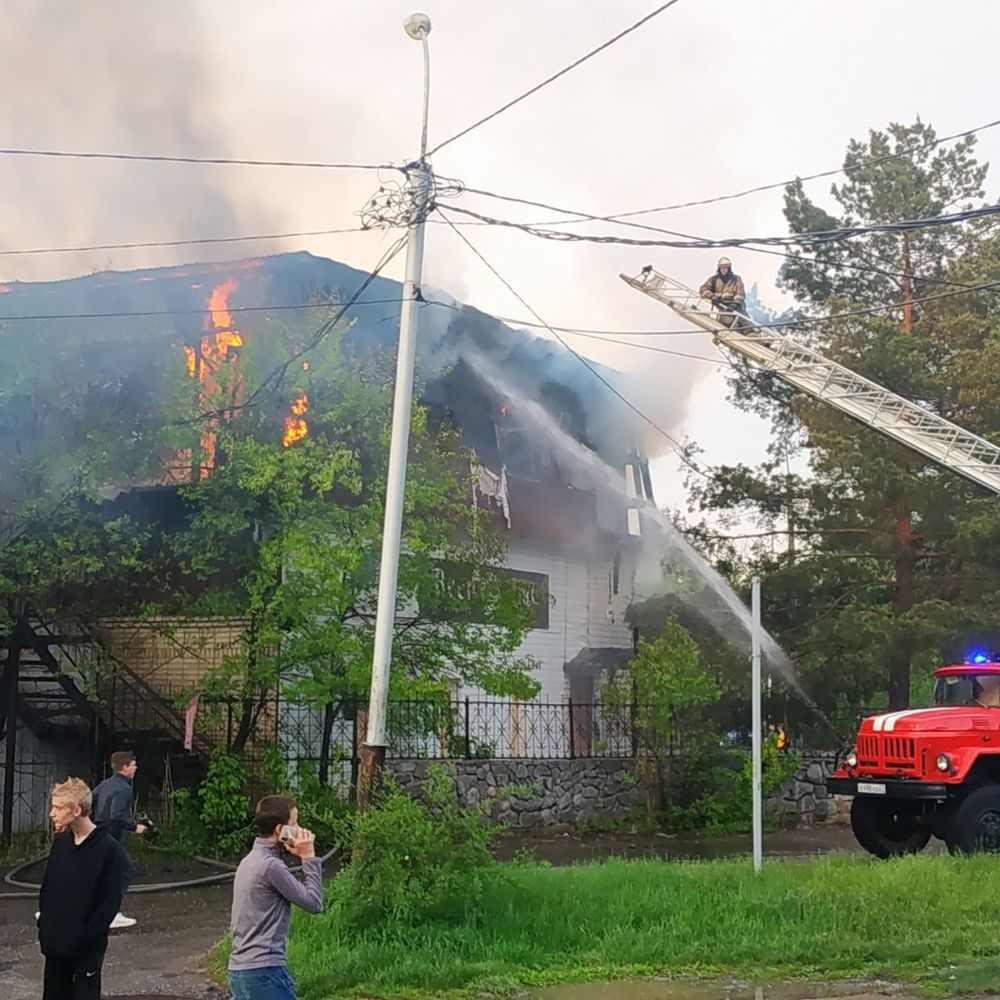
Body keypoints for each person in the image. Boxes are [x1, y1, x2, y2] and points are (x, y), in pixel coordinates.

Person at [228, 795, 323, 1000]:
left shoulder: (250, 860)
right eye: (294, 823)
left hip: (240, 970)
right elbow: (314, 903)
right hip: (264, 970)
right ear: (280, 831)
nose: (299, 829)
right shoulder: (270, 866)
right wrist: (309, 857)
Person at [37, 777, 123, 1000]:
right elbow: (48, 888)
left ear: (76, 810)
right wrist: (45, 926)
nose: (52, 814)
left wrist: (86, 938)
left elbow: (109, 903)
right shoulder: (62, 843)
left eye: (58, 808)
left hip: (85, 948)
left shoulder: (108, 849)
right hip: (56, 945)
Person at [91, 750, 147, 929]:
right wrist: (134, 827)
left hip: (98, 833)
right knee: (125, 871)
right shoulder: (124, 789)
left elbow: (89, 799)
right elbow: (117, 814)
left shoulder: (105, 784)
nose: (135, 767)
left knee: (100, 873)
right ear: (124, 768)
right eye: (132, 764)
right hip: (111, 836)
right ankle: (111, 913)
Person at [699, 256, 747, 327]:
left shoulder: (736, 279)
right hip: (723, 307)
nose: (723, 270)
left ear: (729, 268)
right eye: (722, 268)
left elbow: (740, 292)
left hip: (736, 307)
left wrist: (735, 304)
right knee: (728, 325)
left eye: (725, 268)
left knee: (747, 323)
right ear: (719, 269)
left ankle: (752, 334)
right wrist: (712, 297)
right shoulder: (713, 280)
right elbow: (703, 289)